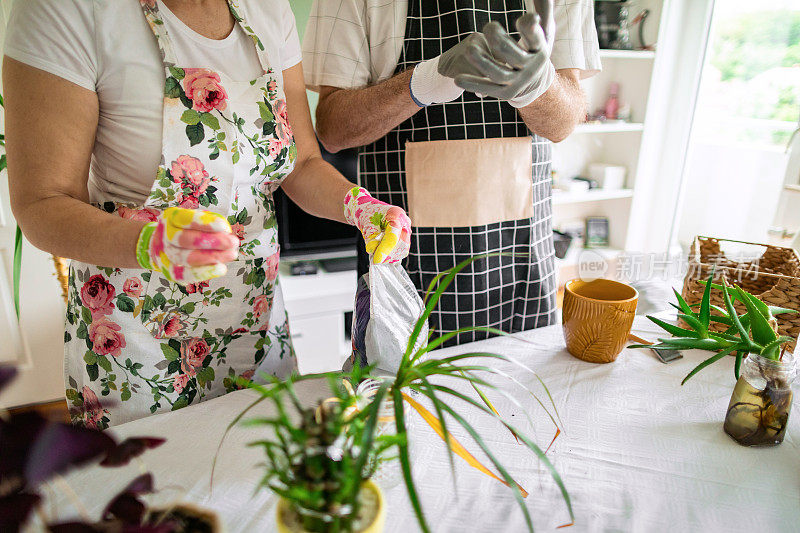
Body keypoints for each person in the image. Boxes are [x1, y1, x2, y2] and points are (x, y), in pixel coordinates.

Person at [3, 0, 411, 428]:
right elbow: (42, 203)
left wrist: (358, 204)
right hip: (137, 344)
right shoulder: (67, 9)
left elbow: (302, 164)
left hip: (257, 329)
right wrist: (147, 243)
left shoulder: (267, 10)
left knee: (266, 477)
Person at [303, 0, 600, 346]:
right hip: (405, 267)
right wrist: (423, 82)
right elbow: (332, 130)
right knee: (409, 399)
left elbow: (566, 121)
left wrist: (537, 85)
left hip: (522, 261)